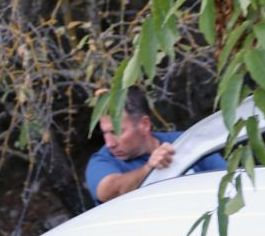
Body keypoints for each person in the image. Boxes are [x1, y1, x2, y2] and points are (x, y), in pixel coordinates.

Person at [85, 86, 227, 204]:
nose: (109, 143)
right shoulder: (103, 160)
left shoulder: (185, 142)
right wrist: (149, 169)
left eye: (116, 132)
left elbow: (228, 179)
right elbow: (108, 192)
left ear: (144, 125)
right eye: (105, 133)